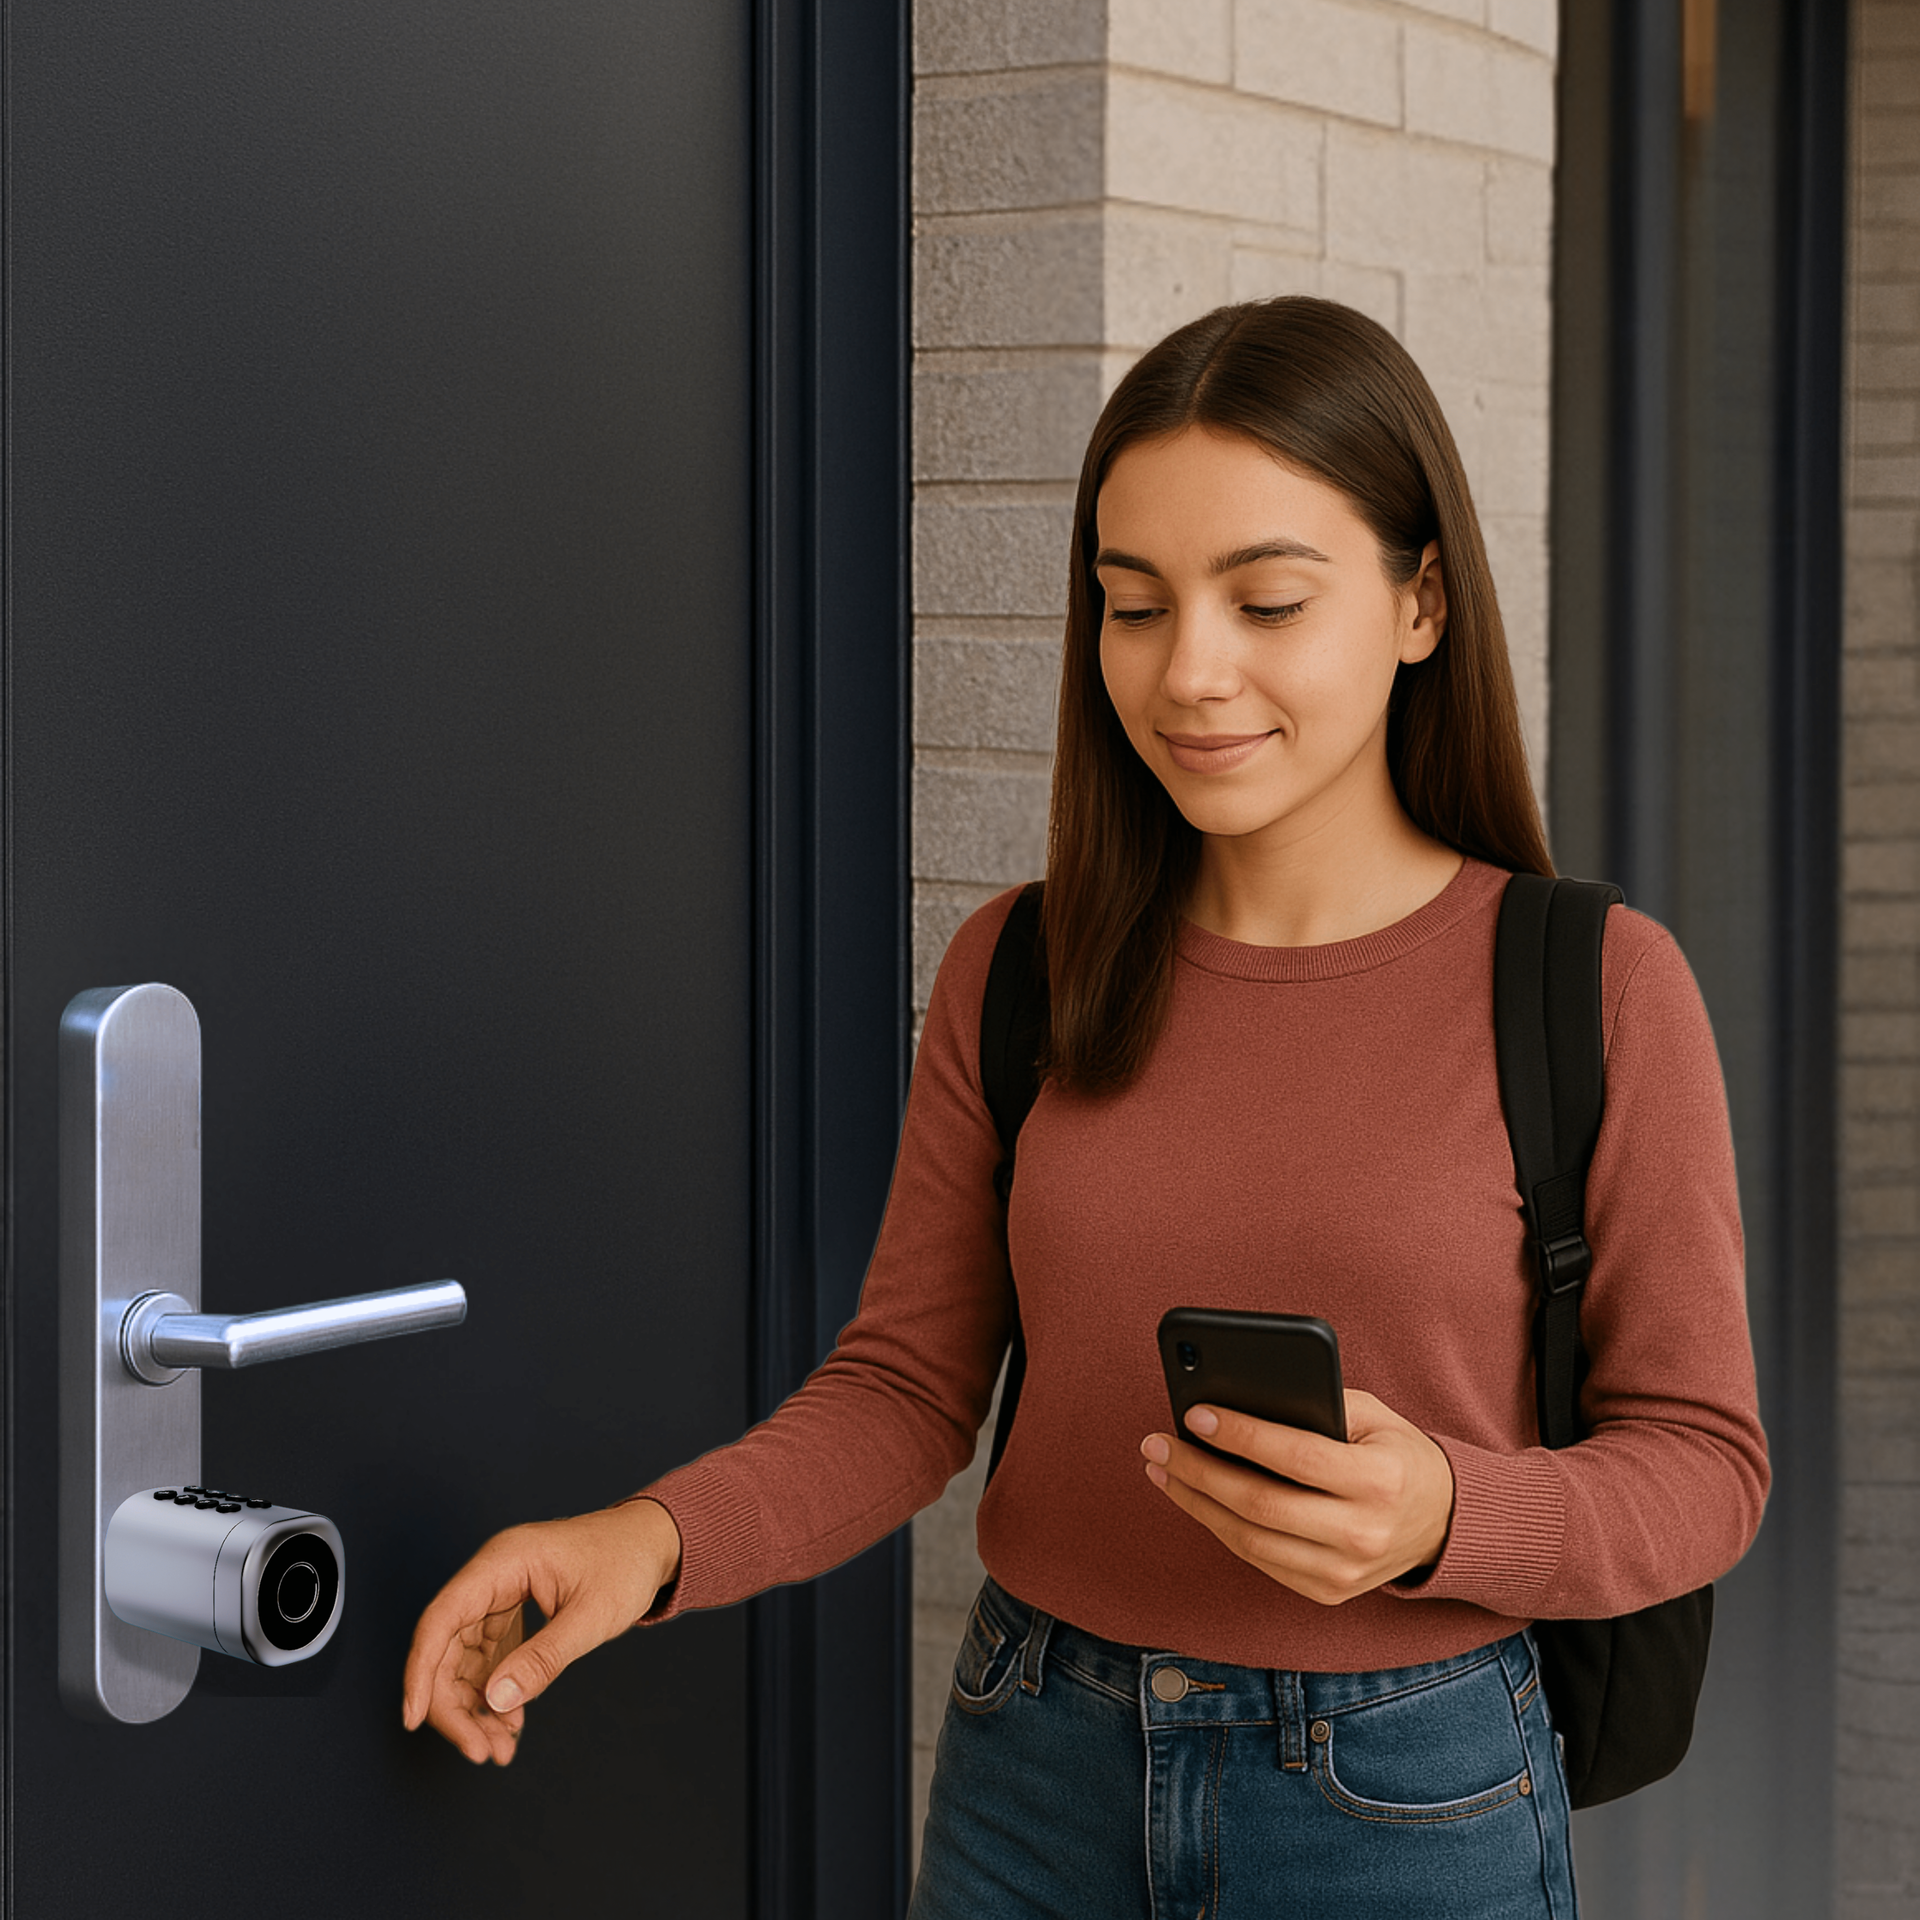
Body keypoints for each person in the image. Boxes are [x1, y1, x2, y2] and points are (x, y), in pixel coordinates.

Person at [402, 297, 1769, 1917]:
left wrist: (1450, 1515)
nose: (1190, 672)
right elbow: (910, 1391)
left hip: (1406, 1792)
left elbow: (1701, 1467)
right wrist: (650, 1542)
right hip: (1031, 1767)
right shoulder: (1029, 968)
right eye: (1133, 606)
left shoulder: (1592, 985)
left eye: (1266, 601)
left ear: (1420, 603)